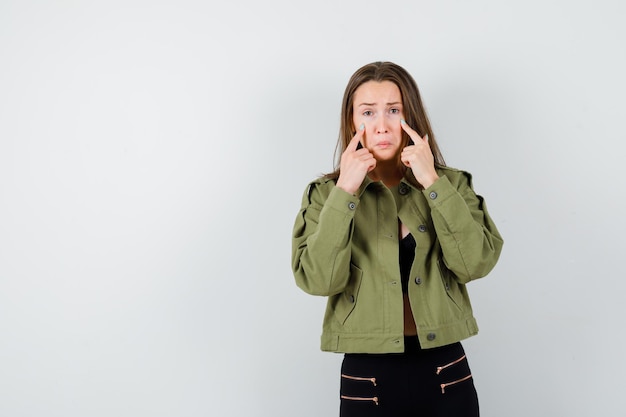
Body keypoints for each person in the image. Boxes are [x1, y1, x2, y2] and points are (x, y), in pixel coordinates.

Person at [291, 61, 504, 416]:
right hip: (367, 377)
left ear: (412, 117)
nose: (382, 125)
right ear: (350, 121)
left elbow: (476, 263)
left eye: (394, 110)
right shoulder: (325, 194)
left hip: (444, 370)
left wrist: (433, 183)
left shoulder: (451, 184)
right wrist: (345, 189)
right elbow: (318, 280)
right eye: (368, 112)